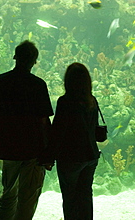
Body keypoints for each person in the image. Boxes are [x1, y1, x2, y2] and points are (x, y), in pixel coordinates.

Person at [0, 40, 54, 220]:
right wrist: (49, 151)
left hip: (6, 147)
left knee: (8, 195)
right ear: (34, 61)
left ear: (15, 57)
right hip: (33, 151)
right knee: (27, 199)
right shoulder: (38, 85)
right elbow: (44, 121)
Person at [47, 62, 101, 220]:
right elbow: (94, 127)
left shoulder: (65, 102)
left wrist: (49, 156)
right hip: (90, 156)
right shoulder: (92, 100)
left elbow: (58, 131)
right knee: (85, 196)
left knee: (70, 197)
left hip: (71, 157)